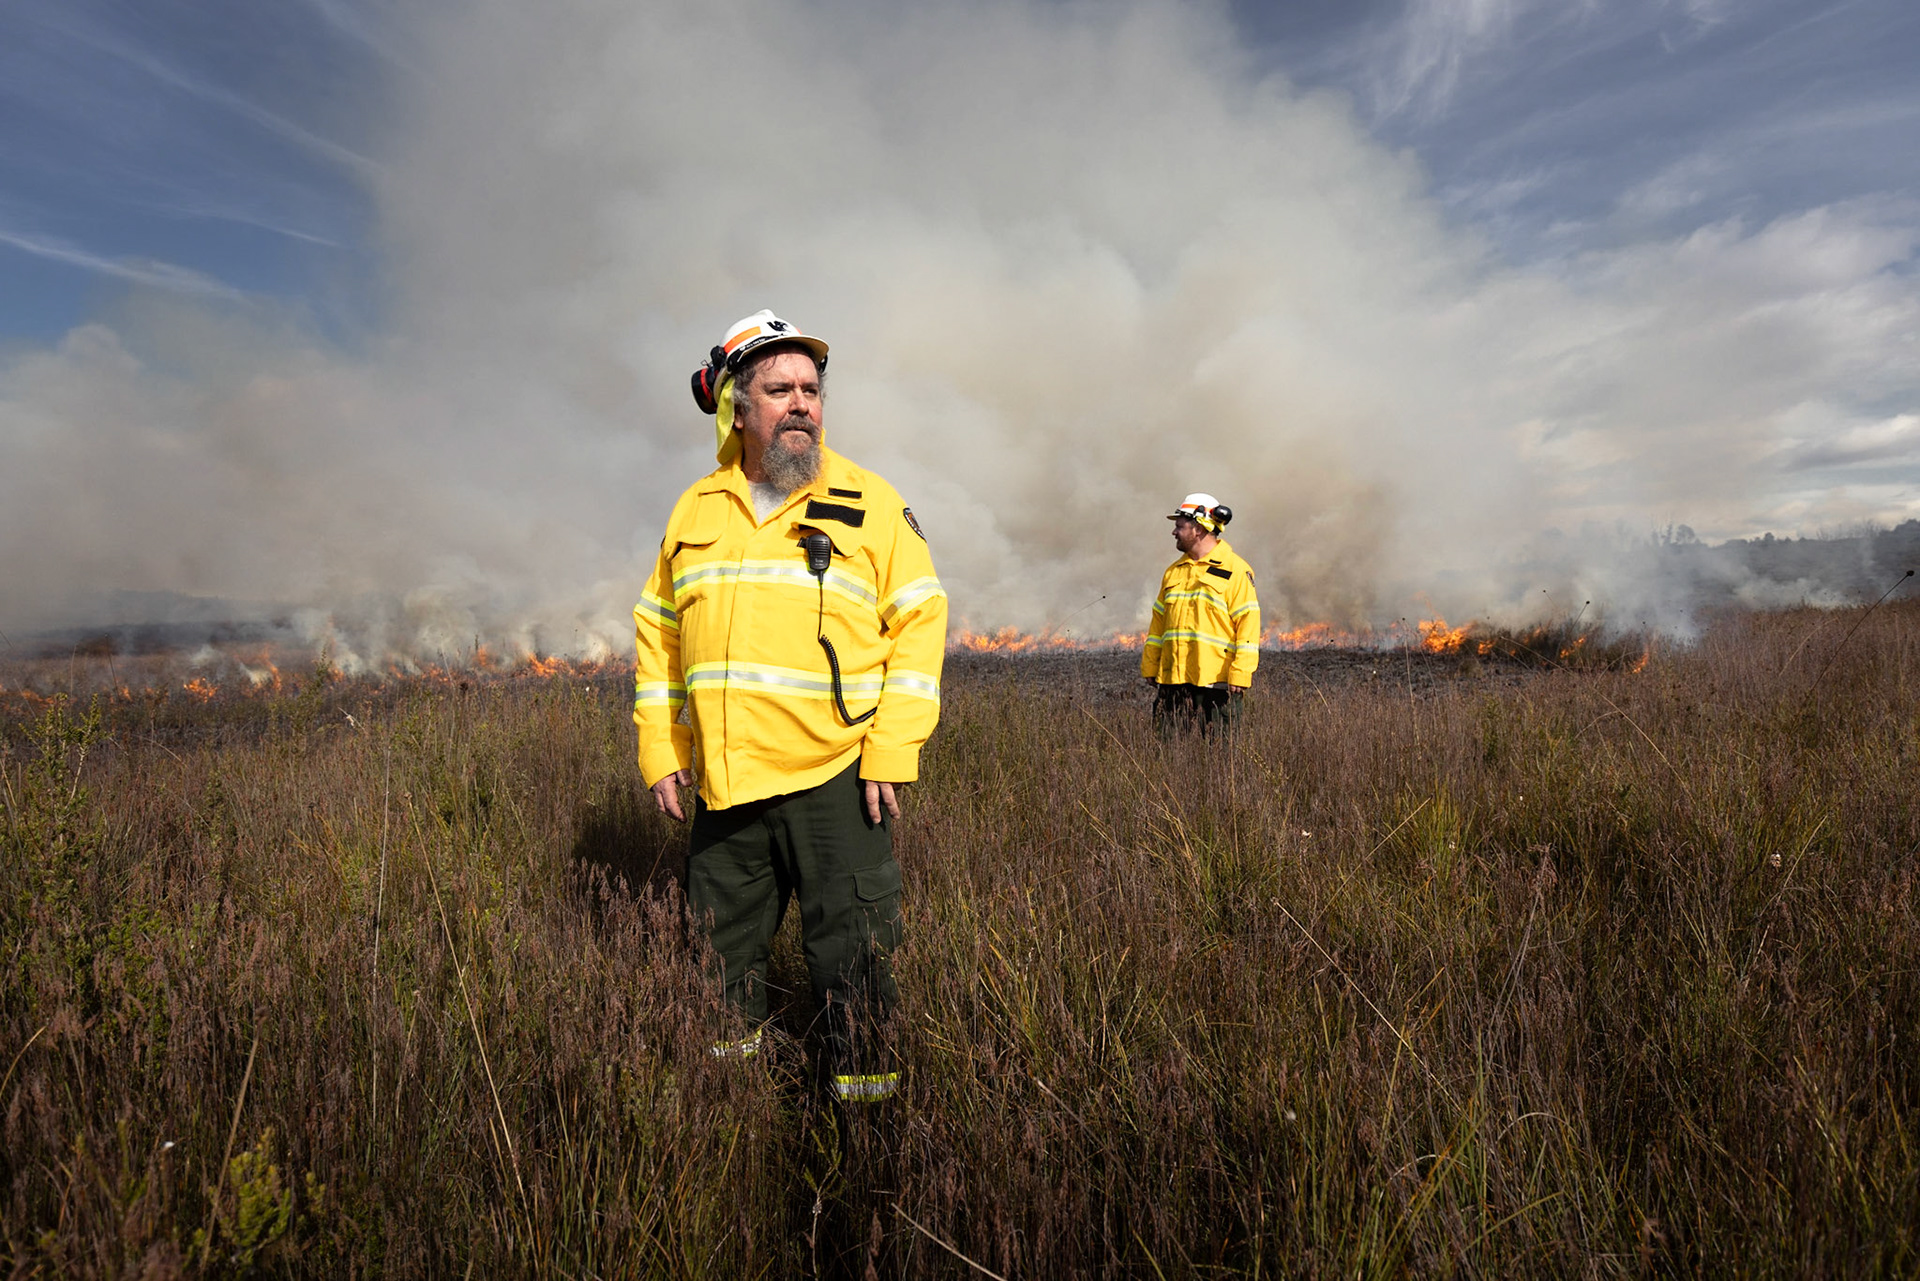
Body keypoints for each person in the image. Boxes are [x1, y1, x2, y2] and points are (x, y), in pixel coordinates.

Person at [633, 309, 946, 1104]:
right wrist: (661, 749)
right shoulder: (694, 510)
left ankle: (868, 1129)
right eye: (780, 389)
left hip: (835, 781)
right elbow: (660, 637)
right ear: (738, 406)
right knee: (717, 962)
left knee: (856, 960)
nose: (802, 402)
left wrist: (892, 748)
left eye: (812, 388)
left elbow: (920, 623)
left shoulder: (870, 501)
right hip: (726, 791)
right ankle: (731, 1113)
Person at [1141, 493, 1260, 734]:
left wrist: (1241, 673)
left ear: (1197, 528)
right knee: (1167, 755)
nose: (1174, 532)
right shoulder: (1173, 572)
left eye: (1179, 526)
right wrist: (1151, 665)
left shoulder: (1235, 570)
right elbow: (1158, 625)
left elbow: (1248, 623)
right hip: (1173, 680)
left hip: (1216, 684)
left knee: (1220, 759)